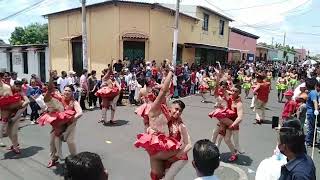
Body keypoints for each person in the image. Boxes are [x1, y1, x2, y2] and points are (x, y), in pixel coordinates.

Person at [134, 66, 192, 180]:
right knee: (157, 175)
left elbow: (174, 108)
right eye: (162, 96)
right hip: (157, 144)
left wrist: (178, 120)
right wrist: (171, 72)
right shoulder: (154, 108)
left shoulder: (165, 108)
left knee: (161, 175)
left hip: (164, 144)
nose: (165, 96)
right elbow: (164, 90)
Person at [37, 71, 83, 168]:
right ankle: (54, 159)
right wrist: (51, 78)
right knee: (52, 142)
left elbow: (80, 112)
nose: (66, 92)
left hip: (70, 125)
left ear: (72, 93)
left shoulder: (74, 102)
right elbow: (49, 93)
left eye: (69, 91)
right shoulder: (59, 98)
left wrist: (71, 119)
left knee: (70, 142)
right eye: (65, 90)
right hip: (59, 125)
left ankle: (75, 160)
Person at [305, 79, 319, 147]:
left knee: (310, 127)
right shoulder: (312, 92)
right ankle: (312, 140)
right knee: (313, 127)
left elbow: (315, 101)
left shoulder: (313, 92)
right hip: (311, 111)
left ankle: (309, 141)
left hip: (311, 112)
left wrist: (316, 109)